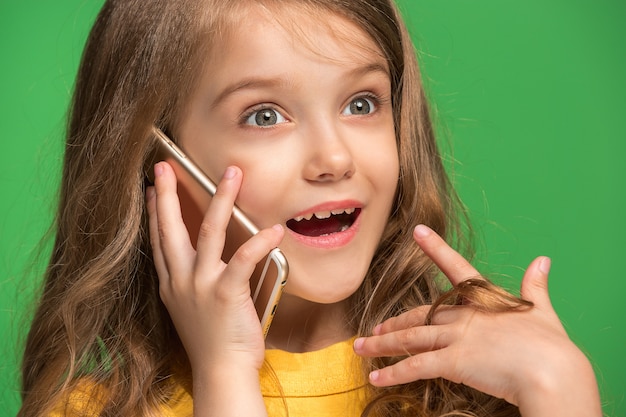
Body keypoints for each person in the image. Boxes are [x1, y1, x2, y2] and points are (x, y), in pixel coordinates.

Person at [18, 0, 602, 416]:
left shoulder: (478, 381)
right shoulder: (92, 410)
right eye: (264, 115)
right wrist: (224, 377)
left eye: (362, 102)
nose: (333, 156)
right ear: (157, 161)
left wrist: (561, 390)